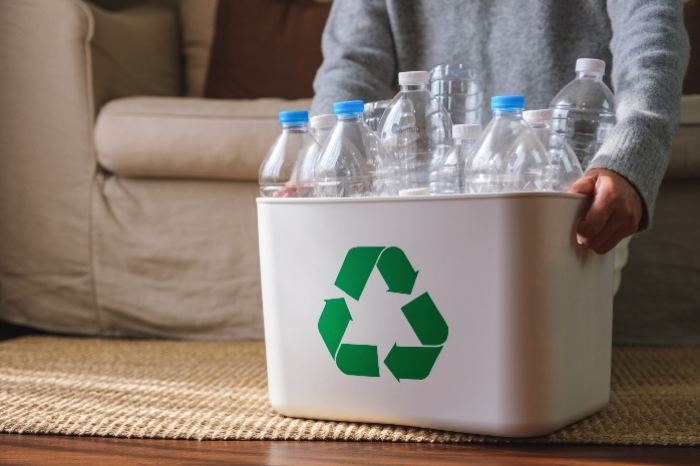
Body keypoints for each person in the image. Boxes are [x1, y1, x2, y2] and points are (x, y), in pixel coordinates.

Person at [310, 0, 689, 254]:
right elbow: (352, 64)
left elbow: (650, 30)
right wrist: (322, 162)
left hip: (565, 201)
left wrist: (630, 156)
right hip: (429, 201)